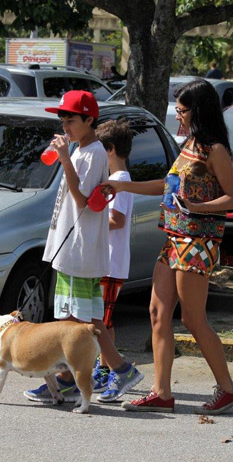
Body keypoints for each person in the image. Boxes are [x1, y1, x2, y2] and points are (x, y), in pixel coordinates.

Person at [102, 79, 233, 414]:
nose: (176, 117)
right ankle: (161, 392)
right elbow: (168, 186)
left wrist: (198, 207)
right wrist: (122, 188)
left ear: (198, 112)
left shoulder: (215, 150)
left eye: (181, 112)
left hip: (197, 242)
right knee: (157, 313)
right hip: (174, 240)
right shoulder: (189, 143)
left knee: (193, 319)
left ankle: (228, 388)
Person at [23, 91, 143, 405]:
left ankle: (73, 379)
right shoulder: (81, 149)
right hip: (72, 247)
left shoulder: (92, 153)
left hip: (81, 248)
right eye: (62, 120)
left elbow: (85, 203)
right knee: (83, 319)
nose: (65, 126)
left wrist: (65, 159)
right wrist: (65, 156)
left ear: (89, 120)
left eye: (71, 120)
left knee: (77, 321)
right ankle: (108, 371)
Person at [91, 119, 140, 403]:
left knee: (101, 321)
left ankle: (114, 370)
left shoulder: (120, 181)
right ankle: (104, 367)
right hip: (107, 262)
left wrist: (91, 218)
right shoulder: (117, 179)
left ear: (109, 149)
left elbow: (117, 219)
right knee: (104, 320)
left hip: (111, 262)